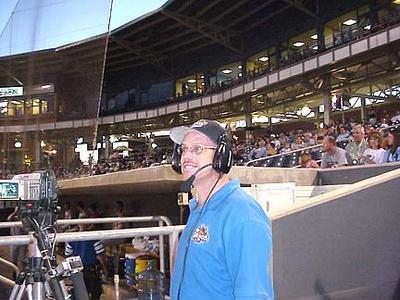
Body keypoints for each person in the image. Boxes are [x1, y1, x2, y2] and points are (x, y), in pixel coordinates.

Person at [169, 119, 273, 300]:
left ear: (221, 156)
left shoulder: (242, 214)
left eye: (197, 149)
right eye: (184, 149)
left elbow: (253, 294)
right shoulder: (198, 210)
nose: (186, 156)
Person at [65, 223, 109, 300]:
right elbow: (101, 257)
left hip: (76, 269)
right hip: (90, 270)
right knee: (96, 291)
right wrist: (105, 272)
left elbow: (67, 254)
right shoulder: (93, 239)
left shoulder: (71, 239)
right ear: (89, 225)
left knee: (79, 292)